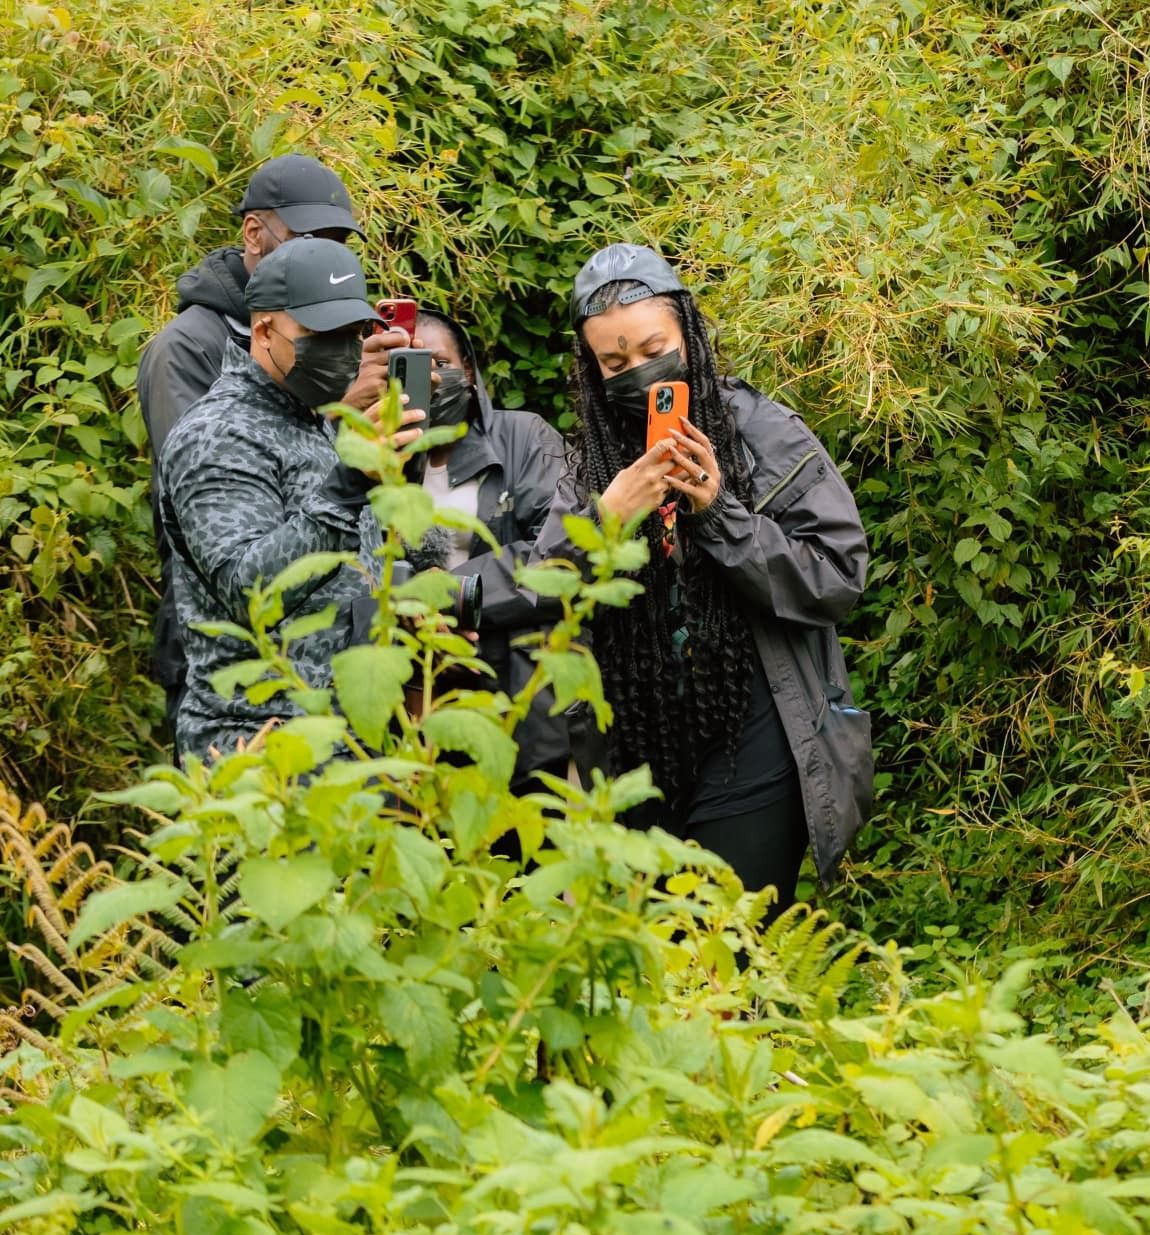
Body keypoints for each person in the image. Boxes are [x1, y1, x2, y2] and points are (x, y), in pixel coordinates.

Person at [543, 243, 874, 898]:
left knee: (728, 958)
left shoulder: (763, 432)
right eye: (614, 362)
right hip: (635, 751)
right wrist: (605, 518)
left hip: (752, 736)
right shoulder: (589, 463)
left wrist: (719, 513)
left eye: (651, 349)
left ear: (688, 335)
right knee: (658, 964)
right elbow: (538, 598)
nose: (638, 373)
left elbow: (838, 574)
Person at [135, 153, 411, 729]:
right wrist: (348, 444)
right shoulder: (197, 370)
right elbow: (233, 553)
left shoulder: (306, 406)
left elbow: (354, 546)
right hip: (254, 719)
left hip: (338, 717)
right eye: (323, 336)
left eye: (352, 335)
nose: (341, 350)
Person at [374, 306, 599, 782]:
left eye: (440, 363)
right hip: (419, 689)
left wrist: (450, 594)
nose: (431, 379)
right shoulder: (372, 458)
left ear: (469, 371)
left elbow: (559, 555)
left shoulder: (524, 437)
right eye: (412, 367)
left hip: (520, 689)